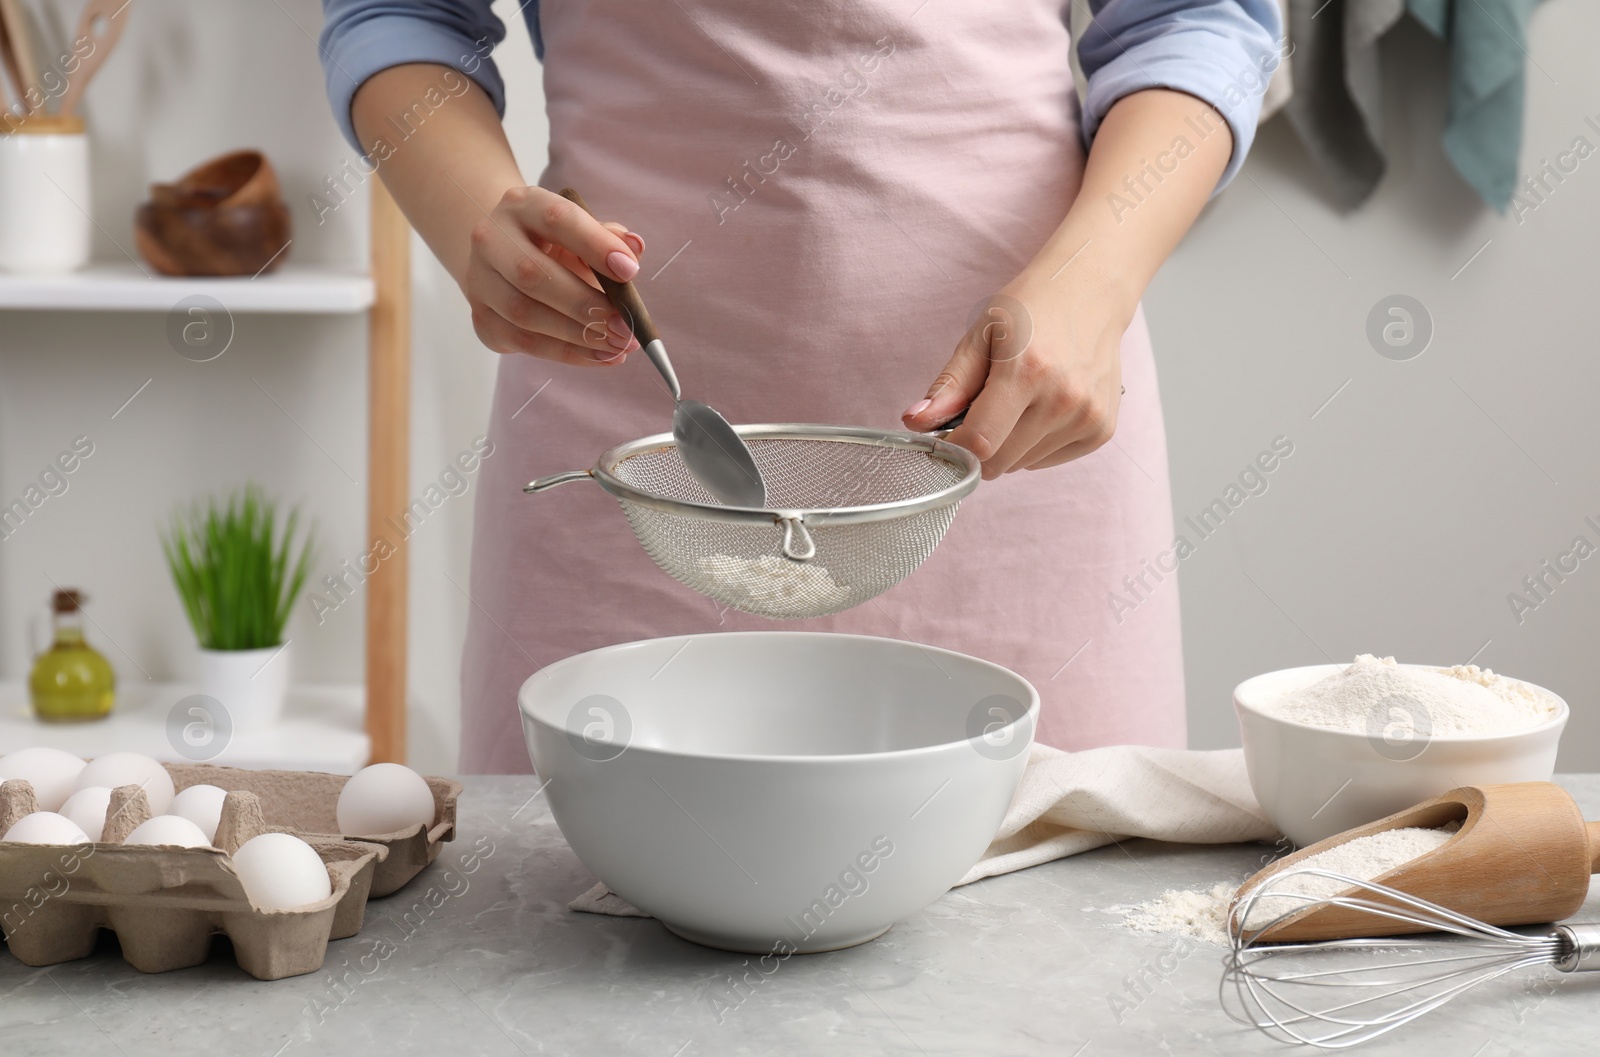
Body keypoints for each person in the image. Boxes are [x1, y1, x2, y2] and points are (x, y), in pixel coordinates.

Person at [319, 0, 1281, 772]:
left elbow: (1195, 16)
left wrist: (1094, 283)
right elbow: (399, 13)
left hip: (1023, 424)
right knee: (572, 953)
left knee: (1051, 959)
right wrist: (476, 221)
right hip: (622, 445)